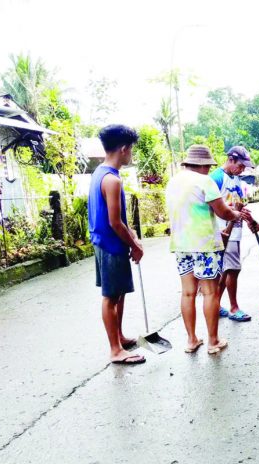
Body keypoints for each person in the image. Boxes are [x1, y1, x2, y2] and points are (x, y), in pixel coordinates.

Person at [166, 145, 250, 354]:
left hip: (181, 245)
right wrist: (237, 215)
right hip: (205, 245)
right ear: (203, 165)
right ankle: (213, 341)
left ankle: (192, 340)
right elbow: (223, 212)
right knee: (210, 292)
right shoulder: (205, 181)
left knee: (187, 293)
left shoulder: (173, 182)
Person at [87, 124, 145, 365]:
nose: (131, 154)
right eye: (130, 149)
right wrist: (135, 244)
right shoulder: (112, 180)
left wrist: (130, 234)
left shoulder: (100, 173)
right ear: (123, 148)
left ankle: (118, 337)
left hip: (104, 243)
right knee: (111, 297)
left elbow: (118, 219)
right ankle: (115, 350)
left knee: (118, 294)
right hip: (112, 245)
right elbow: (114, 222)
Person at [210, 146, 255, 322]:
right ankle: (234, 307)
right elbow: (210, 205)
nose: (243, 169)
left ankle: (215, 304)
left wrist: (242, 210)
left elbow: (236, 201)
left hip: (235, 229)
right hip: (223, 230)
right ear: (231, 159)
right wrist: (232, 210)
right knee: (232, 269)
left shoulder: (235, 178)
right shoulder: (216, 178)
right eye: (241, 165)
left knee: (226, 269)